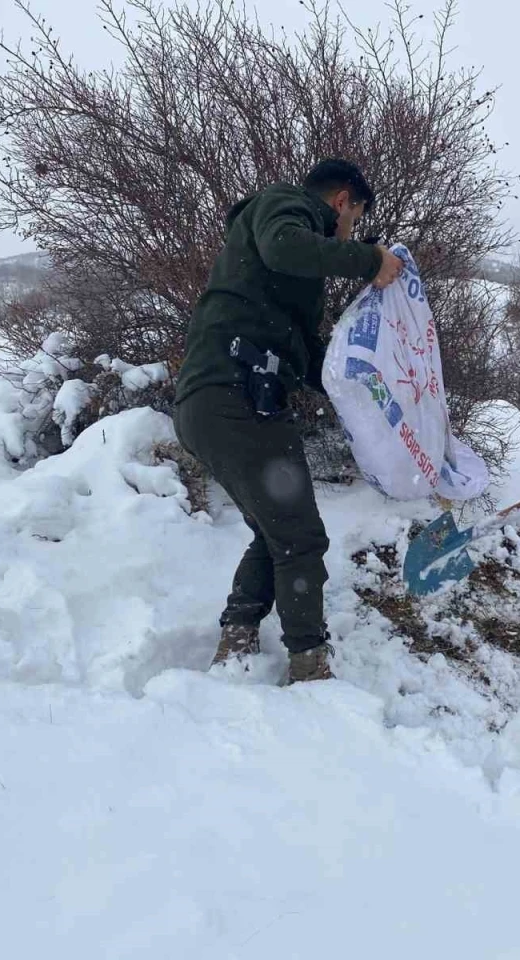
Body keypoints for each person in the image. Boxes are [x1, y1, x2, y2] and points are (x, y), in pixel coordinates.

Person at [172, 159, 404, 681]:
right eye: (356, 217)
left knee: (274, 530)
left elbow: (313, 358)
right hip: (237, 395)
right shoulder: (284, 204)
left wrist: (369, 394)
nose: (350, 230)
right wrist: (370, 259)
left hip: (214, 401)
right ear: (343, 200)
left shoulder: (278, 267)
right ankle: (308, 662)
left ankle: (237, 636)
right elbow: (287, 246)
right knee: (301, 537)